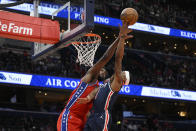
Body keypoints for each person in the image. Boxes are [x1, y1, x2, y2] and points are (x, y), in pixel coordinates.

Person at [57, 22, 131, 131]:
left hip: (84, 121)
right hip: (70, 117)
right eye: (100, 69)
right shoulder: (90, 78)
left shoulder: (100, 88)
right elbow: (105, 58)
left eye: (103, 70)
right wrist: (119, 38)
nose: (101, 70)